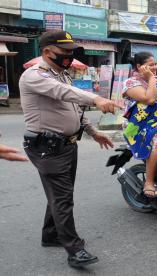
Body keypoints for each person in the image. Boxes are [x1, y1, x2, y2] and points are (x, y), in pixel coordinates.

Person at [19, 30, 121, 268]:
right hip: (46, 145)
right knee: (63, 197)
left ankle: (50, 234)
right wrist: (96, 99)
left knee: (60, 194)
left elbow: (73, 108)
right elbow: (65, 93)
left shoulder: (62, 75)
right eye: (64, 51)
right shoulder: (34, 76)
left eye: (71, 51)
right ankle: (75, 250)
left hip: (65, 144)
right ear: (46, 51)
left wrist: (93, 132)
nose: (69, 55)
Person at [122, 52, 157, 198]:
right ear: (139, 67)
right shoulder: (131, 83)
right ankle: (149, 182)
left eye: (155, 64)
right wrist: (151, 79)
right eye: (150, 65)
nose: (155, 67)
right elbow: (150, 100)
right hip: (137, 126)